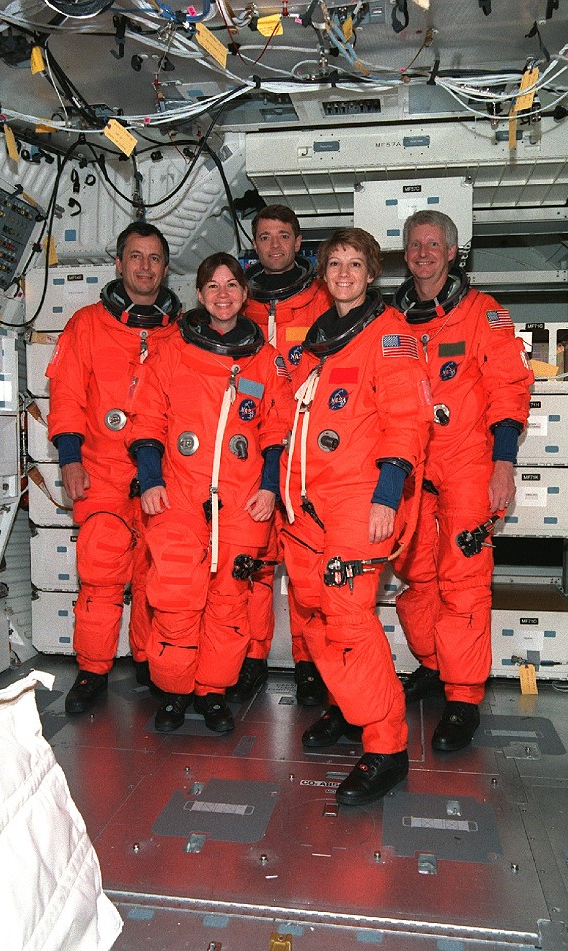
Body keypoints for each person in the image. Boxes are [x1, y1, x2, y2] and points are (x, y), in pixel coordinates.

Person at [281, 228, 432, 805]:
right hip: (306, 501)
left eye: (355, 264)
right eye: (335, 264)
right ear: (323, 275)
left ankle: (387, 746)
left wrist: (387, 496)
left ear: (372, 274)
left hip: (359, 498)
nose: (344, 273)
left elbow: (407, 419)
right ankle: (349, 708)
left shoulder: (389, 335)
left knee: (348, 617)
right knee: (315, 610)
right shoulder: (317, 342)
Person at [128, 253, 294, 734]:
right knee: (177, 599)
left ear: (245, 293)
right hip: (178, 495)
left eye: (232, 285)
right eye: (213, 286)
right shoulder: (171, 352)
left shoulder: (265, 360)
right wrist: (151, 479)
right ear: (200, 294)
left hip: (243, 501)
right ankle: (175, 692)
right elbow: (147, 419)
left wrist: (269, 488)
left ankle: (212, 691)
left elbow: (276, 430)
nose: (224, 294)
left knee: (228, 603)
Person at [393, 210, 533, 751]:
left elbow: (508, 388)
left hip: (468, 464)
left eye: (434, 244)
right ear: (405, 254)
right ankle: (434, 664)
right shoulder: (391, 322)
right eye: (415, 245)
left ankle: (464, 696)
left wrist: (504, 463)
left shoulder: (483, 314)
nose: (423, 253)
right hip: (411, 469)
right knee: (416, 576)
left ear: (453, 252)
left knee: (464, 582)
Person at [47, 221, 182, 714]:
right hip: (101, 469)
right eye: (136, 257)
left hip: (162, 475)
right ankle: (92, 670)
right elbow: (66, 395)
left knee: (156, 576)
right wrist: (69, 459)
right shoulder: (86, 324)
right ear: (119, 263)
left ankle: (148, 660)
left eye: (154, 258)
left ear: (165, 269)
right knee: (101, 574)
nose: (145, 267)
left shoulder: (181, 333)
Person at [226, 204, 333, 707]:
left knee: (309, 566)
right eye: (265, 236)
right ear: (255, 243)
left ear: (298, 241)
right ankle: (251, 657)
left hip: (310, 454)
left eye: (283, 236)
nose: (274, 245)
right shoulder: (235, 303)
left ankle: (310, 664)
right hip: (251, 455)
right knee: (254, 563)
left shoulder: (323, 299)